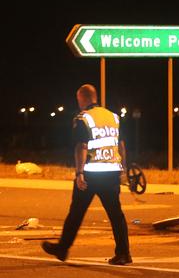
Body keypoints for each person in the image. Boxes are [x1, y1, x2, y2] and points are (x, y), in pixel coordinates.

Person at [41, 84, 132, 265]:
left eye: (78, 99)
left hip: (90, 175)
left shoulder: (83, 118)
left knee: (76, 212)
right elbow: (121, 145)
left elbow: (81, 146)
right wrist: (124, 169)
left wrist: (79, 173)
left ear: (82, 98)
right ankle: (124, 254)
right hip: (112, 172)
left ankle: (63, 248)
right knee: (116, 214)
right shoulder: (113, 117)